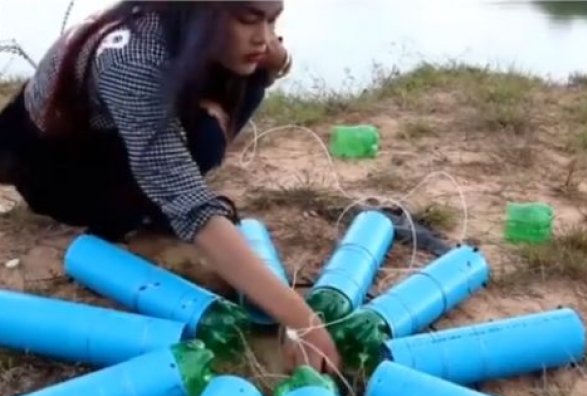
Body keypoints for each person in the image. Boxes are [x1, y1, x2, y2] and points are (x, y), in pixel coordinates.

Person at [0, 1, 341, 374]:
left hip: (96, 133)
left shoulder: (178, 22)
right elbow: (190, 204)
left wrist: (277, 61)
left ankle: (147, 200)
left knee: (247, 74)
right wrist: (303, 320)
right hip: (52, 166)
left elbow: (268, 54)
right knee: (202, 145)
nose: (263, 36)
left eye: (272, 20)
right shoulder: (133, 60)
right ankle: (130, 222)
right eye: (248, 20)